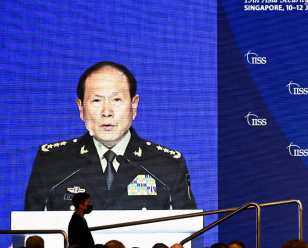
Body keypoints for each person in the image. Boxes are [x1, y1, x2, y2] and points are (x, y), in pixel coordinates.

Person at [24, 61, 196, 211]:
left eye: (116, 100)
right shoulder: (52, 162)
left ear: (134, 105)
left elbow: (189, 238)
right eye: (96, 101)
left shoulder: (168, 166)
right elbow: (30, 234)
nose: (107, 112)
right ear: (81, 108)